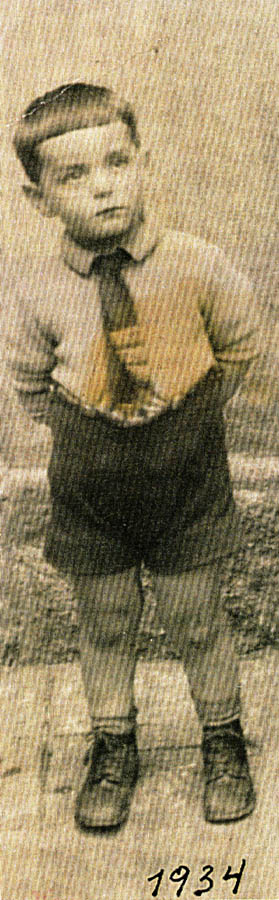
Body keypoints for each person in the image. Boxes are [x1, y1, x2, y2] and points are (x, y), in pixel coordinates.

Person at [4, 82, 260, 830]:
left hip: (187, 483)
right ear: (37, 197)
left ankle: (222, 738)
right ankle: (113, 745)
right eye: (72, 175)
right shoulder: (34, 291)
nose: (103, 185)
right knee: (105, 622)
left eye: (116, 161)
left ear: (142, 161)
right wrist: (92, 436)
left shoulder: (195, 263)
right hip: (91, 491)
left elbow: (241, 347)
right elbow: (26, 383)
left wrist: (186, 420)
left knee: (198, 619)